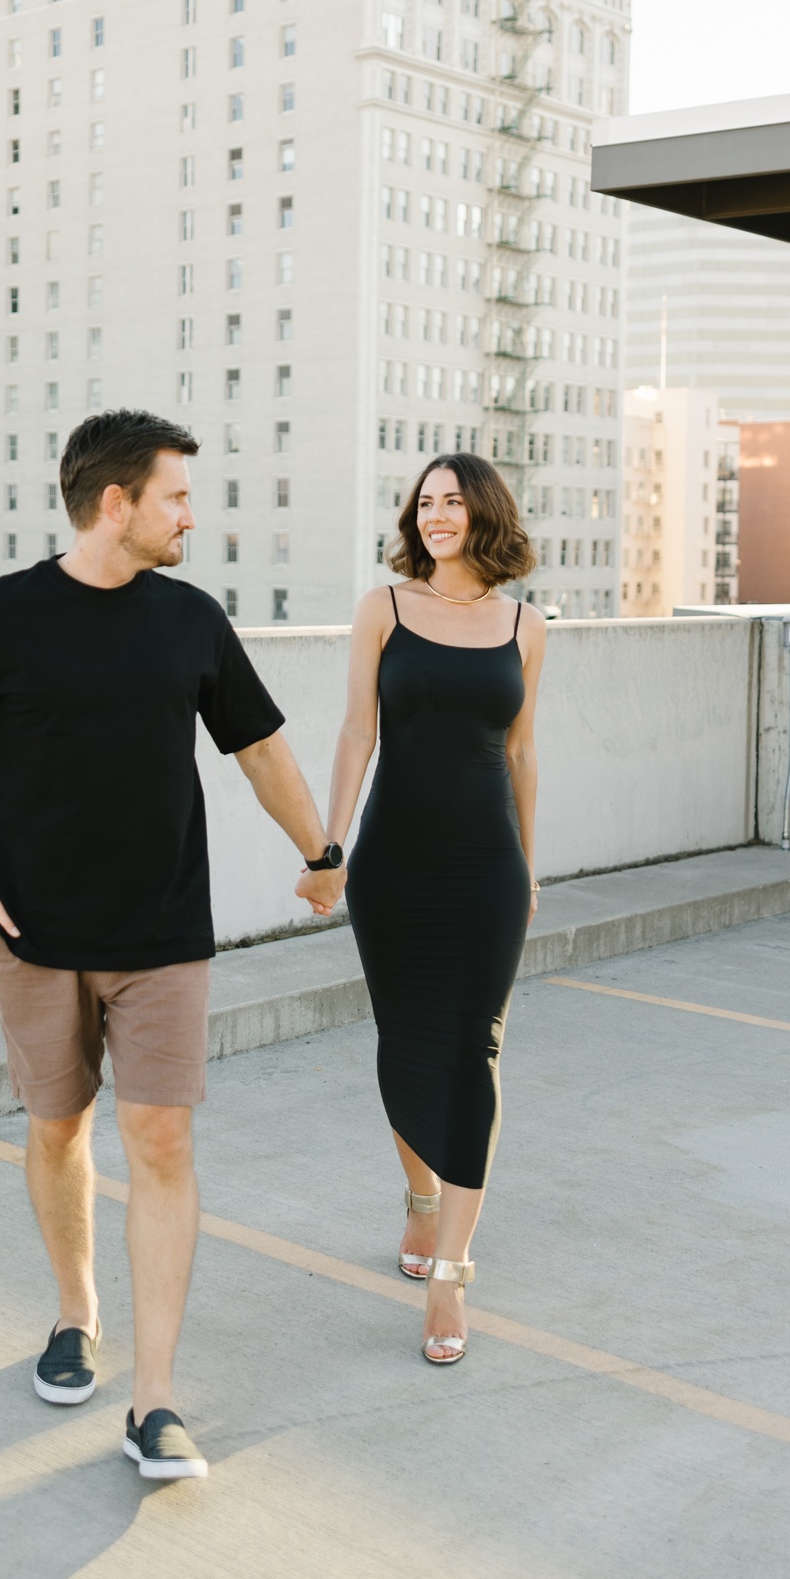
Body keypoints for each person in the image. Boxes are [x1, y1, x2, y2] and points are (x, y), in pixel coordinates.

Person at [0, 409, 343, 1479]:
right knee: (56, 1132)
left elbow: (261, 748)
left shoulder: (189, 620)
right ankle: (73, 1313)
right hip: (37, 939)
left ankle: (154, 1400)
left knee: (161, 1142)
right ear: (117, 503)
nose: (191, 514)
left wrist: (321, 849)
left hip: (160, 935)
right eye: (176, 496)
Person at [301, 455, 545, 1366]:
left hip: (487, 866)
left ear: (485, 514)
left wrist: (529, 862)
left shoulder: (525, 625)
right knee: (404, 1040)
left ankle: (451, 1269)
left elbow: (521, 751)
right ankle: (420, 1195)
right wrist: (330, 847)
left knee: (472, 1046)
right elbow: (357, 731)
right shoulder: (385, 609)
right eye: (425, 502)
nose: (435, 514)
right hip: (393, 863)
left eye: (453, 501)